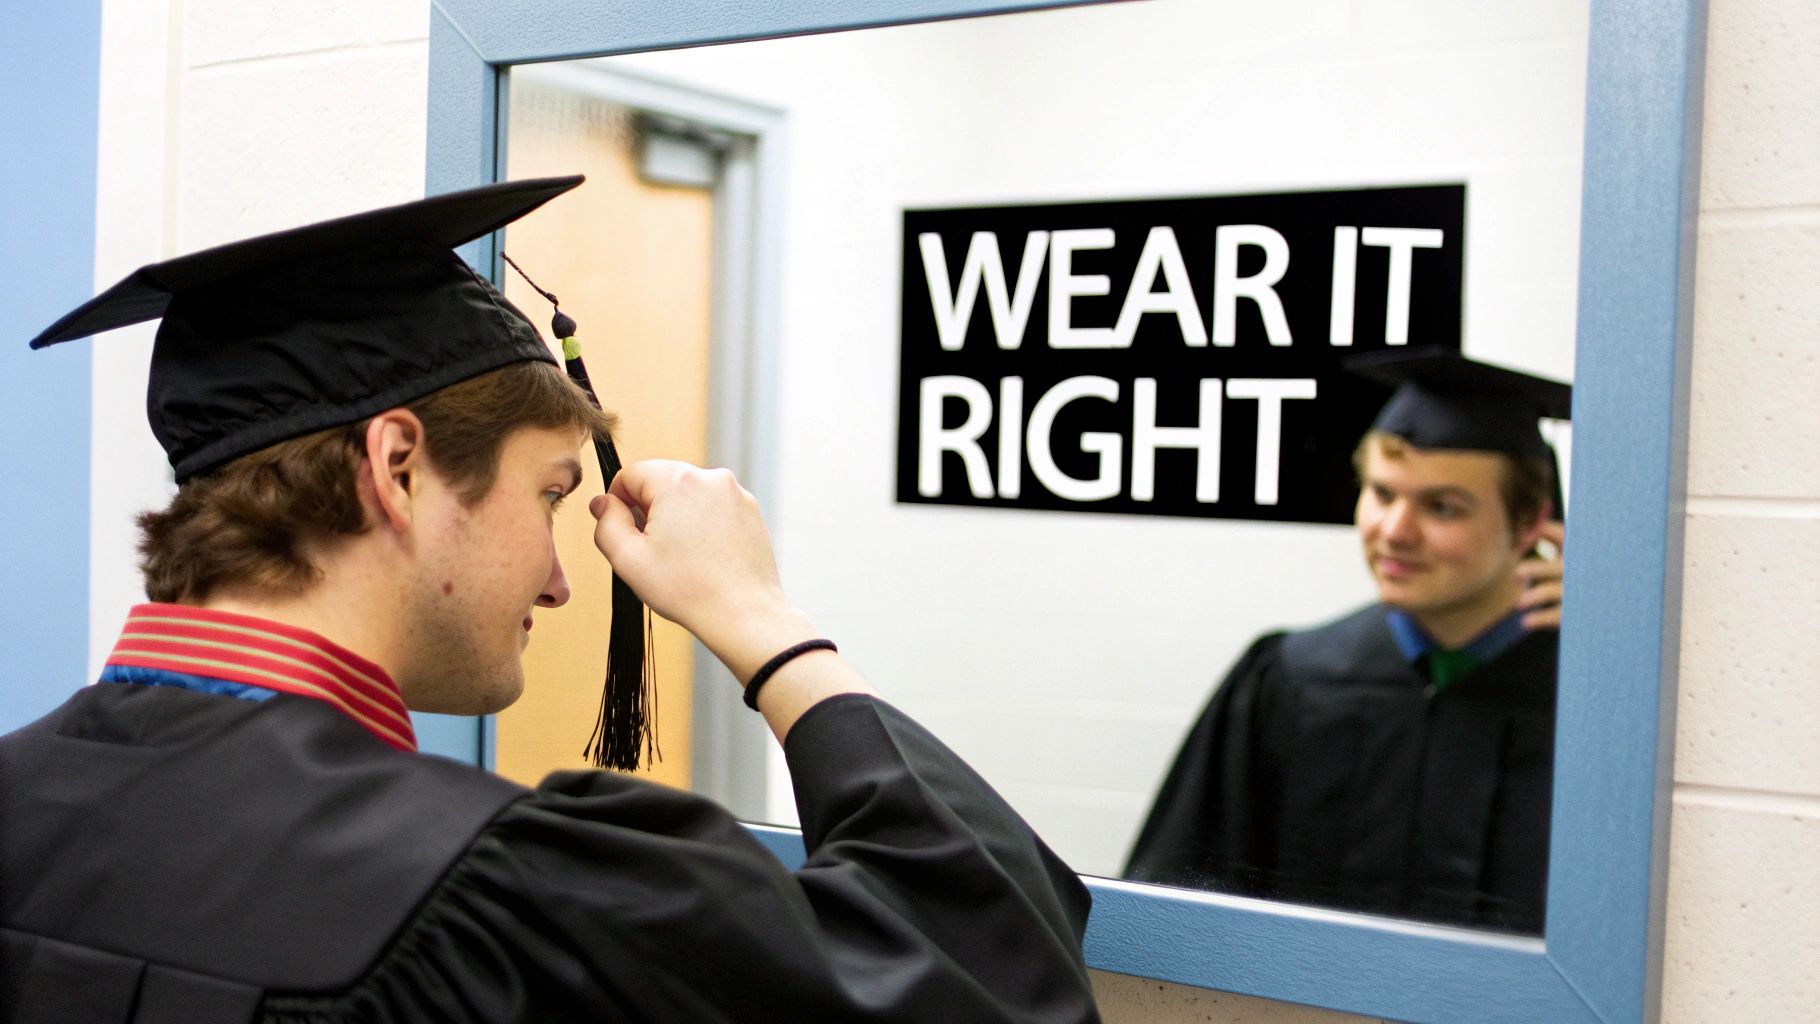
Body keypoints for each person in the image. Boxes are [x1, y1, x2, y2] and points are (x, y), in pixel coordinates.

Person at [0, 177, 1101, 1023]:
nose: (565, 578)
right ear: (396, 469)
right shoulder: (496, 889)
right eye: (550, 493)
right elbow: (990, 982)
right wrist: (762, 623)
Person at [1123, 349, 1570, 935]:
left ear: (1532, 522)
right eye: (1382, 494)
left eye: (1442, 507)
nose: (1395, 532)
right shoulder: (1291, 679)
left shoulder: (1584, 701)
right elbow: (1174, 915)